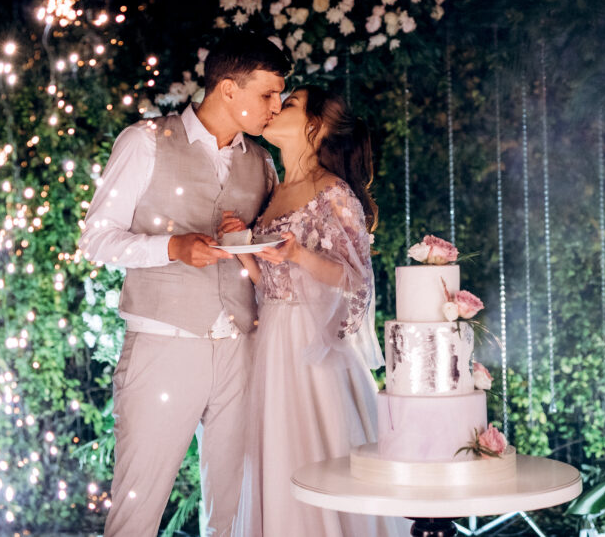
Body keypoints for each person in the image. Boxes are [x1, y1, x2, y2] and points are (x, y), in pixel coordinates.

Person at [78, 31, 291, 537]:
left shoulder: (260, 162)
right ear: (227, 90)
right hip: (163, 346)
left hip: (241, 348)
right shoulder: (145, 141)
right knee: (138, 507)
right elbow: (96, 240)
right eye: (267, 94)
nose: (276, 107)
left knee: (235, 512)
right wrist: (171, 248)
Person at [223, 86, 409, 536]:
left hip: (312, 344)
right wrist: (242, 249)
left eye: (289, 104)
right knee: (280, 452)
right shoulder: (276, 193)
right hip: (272, 341)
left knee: (319, 453)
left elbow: (357, 281)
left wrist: (298, 256)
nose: (275, 108)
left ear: (318, 126)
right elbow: (270, 280)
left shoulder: (334, 193)